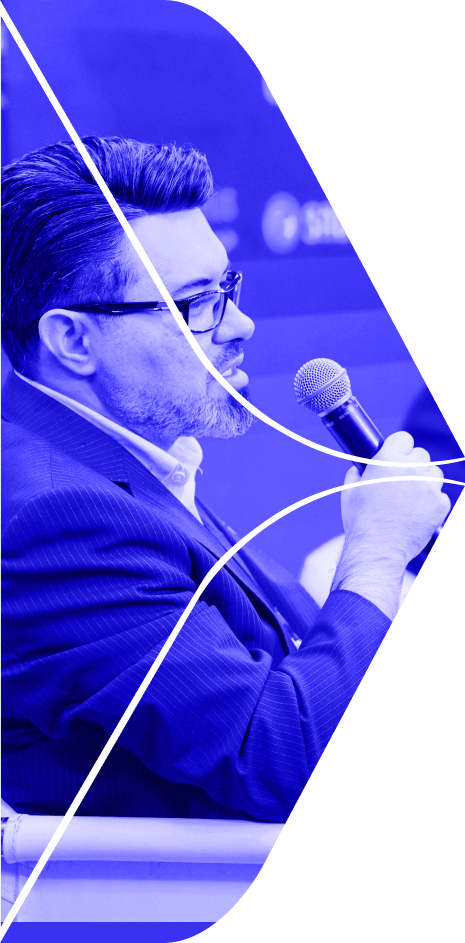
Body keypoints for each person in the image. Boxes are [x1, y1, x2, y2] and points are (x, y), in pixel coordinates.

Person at [0, 137, 450, 822]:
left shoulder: (122, 466)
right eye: (195, 304)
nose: (241, 324)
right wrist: (377, 554)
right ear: (73, 341)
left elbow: (289, 659)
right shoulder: (57, 520)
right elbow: (280, 758)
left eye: (228, 288)